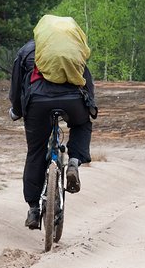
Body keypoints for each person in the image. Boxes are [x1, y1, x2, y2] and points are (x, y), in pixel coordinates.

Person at [9, 16, 97, 229]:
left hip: (38, 102)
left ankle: (33, 209)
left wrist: (17, 111)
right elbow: (87, 82)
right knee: (82, 124)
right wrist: (90, 108)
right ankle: (74, 162)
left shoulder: (27, 50)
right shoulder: (74, 49)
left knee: (36, 151)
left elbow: (17, 86)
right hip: (72, 101)